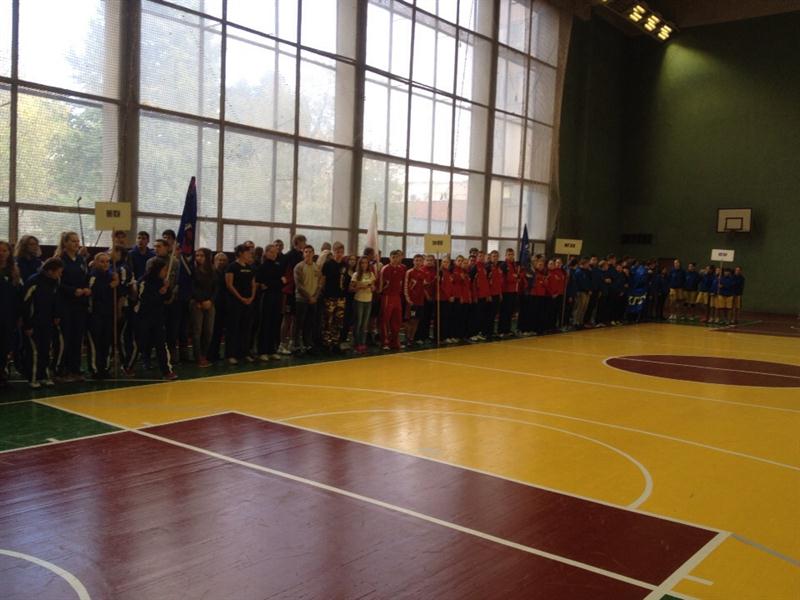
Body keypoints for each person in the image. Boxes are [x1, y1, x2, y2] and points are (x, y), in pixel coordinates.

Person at [123, 258, 177, 380]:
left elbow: (167, 298)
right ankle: (128, 366)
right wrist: (160, 293)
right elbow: (143, 299)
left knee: (161, 344)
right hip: (142, 317)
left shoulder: (162, 282)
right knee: (139, 343)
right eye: (164, 269)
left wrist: (167, 289)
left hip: (157, 317)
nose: (165, 272)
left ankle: (166, 371)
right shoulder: (144, 281)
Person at [21, 258, 63, 388]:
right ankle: (33, 378)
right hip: (34, 322)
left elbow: (56, 299)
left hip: (48, 321)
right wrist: (27, 324)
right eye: (58, 272)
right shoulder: (33, 281)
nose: (60, 274)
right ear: (50, 271)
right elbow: (26, 303)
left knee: (46, 349)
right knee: (34, 351)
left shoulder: (55, 281)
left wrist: (56, 315)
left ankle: (44, 375)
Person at [53, 231, 90, 381]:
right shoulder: (59, 259)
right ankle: (60, 369)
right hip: (65, 304)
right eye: (73, 241)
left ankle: (75, 368)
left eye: (77, 241)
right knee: (65, 338)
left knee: (77, 337)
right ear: (65, 243)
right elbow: (57, 282)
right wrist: (72, 290)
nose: (76, 244)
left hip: (80, 305)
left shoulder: (81, 259)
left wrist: (86, 288)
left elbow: (86, 277)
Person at [87, 252, 119, 379]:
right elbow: (92, 291)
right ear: (96, 263)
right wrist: (110, 285)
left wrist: (116, 282)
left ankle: (105, 367)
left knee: (107, 341)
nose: (105, 264)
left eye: (107, 262)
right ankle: (95, 369)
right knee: (96, 342)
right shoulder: (93, 276)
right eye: (102, 261)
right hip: (95, 313)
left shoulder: (112, 275)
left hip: (108, 313)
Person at [225, 244, 257, 365]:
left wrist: (251, 297)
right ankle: (231, 354)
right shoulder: (232, 267)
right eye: (247, 252)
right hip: (235, 302)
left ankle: (244, 353)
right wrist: (240, 298)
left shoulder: (250, 267)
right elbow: (229, 285)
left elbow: (253, 284)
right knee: (234, 328)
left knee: (246, 328)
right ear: (240, 253)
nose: (249, 254)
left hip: (248, 302)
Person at [278, 234, 306, 355]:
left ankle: (292, 342)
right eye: (303, 242)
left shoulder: (302, 256)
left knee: (296, 318)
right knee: (287, 318)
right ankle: (282, 344)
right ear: (297, 242)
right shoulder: (288, 256)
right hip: (289, 292)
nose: (305, 244)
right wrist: (285, 282)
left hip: (299, 292)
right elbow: (281, 272)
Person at [256, 244, 284, 361]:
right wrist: (277, 282)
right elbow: (263, 283)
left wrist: (275, 283)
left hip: (277, 297)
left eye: (275, 252)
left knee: (275, 323)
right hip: (267, 297)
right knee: (265, 324)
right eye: (271, 252)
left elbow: (283, 282)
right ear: (266, 253)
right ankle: (262, 351)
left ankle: (272, 350)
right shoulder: (262, 267)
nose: (273, 254)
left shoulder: (278, 265)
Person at [190, 248, 217, 367]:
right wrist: (200, 300)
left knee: (209, 331)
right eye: (197, 255)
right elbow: (192, 287)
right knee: (197, 331)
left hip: (210, 303)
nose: (199, 258)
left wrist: (210, 301)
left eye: (202, 255)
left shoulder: (213, 271)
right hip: (196, 303)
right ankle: (198, 357)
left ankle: (204, 355)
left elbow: (216, 288)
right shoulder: (193, 270)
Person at [293, 245, 322, 355]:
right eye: (306, 252)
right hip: (301, 300)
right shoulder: (299, 267)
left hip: (313, 300)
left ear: (313, 253)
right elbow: (299, 286)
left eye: (310, 252)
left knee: (309, 324)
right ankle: (296, 346)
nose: (308, 254)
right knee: (298, 324)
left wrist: (315, 297)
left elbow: (319, 284)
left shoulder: (317, 267)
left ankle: (308, 344)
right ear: (303, 254)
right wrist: (309, 297)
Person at [320, 242, 349, 352]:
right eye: (337, 252)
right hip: (330, 296)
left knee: (338, 321)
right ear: (333, 252)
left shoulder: (345, 265)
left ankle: (336, 342)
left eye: (341, 252)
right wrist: (323, 293)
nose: (339, 254)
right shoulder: (328, 264)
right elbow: (323, 280)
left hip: (341, 297)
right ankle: (326, 343)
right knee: (328, 320)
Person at [0, 241, 21, 389]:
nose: (1, 254)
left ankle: (2, 374)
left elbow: (17, 297)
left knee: (5, 347)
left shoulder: (13, 272)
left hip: (8, 316)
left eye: (4, 251)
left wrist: (18, 316)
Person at [379, 250, 406, 350]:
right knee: (385, 319)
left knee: (397, 320)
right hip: (387, 296)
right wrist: (381, 292)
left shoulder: (402, 268)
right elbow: (380, 284)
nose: (395, 259)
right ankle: (385, 342)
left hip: (397, 297)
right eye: (393, 257)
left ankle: (394, 342)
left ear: (400, 258)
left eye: (397, 257)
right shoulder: (385, 269)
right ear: (390, 258)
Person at [206, 252, 229, 362]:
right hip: (212, 304)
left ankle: (215, 353)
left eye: (224, 260)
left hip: (223, 305)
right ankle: (208, 354)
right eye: (219, 260)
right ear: (214, 261)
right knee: (210, 330)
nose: (221, 262)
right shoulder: (210, 273)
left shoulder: (226, 273)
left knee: (219, 331)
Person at [350, 256, 375, 353]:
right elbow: (351, 288)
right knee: (358, 323)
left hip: (368, 300)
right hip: (359, 300)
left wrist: (372, 287)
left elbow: (374, 287)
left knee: (365, 324)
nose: (364, 265)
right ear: (359, 264)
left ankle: (363, 343)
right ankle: (356, 343)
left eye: (366, 263)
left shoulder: (371, 274)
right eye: (362, 263)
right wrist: (360, 287)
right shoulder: (356, 274)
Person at [404, 254, 427, 345]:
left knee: (417, 321)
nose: (418, 262)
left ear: (422, 262)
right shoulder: (409, 272)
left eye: (420, 260)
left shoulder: (423, 273)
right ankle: (407, 339)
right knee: (410, 320)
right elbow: (406, 287)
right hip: (411, 302)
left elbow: (423, 287)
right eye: (416, 260)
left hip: (420, 302)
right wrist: (408, 299)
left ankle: (411, 338)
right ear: (413, 261)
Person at [498, 248, 520, 337]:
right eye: (509, 254)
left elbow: (516, 276)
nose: (511, 256)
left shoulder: (514, 265)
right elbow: (505, 278)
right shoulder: (503, 265)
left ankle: (507, 329)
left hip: (513, 291)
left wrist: (515, 277)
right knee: (504, 312)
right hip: (505, 291)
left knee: (510, 312)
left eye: (512, 254)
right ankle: (501, 330)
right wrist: (514, 277)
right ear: (506, 255)